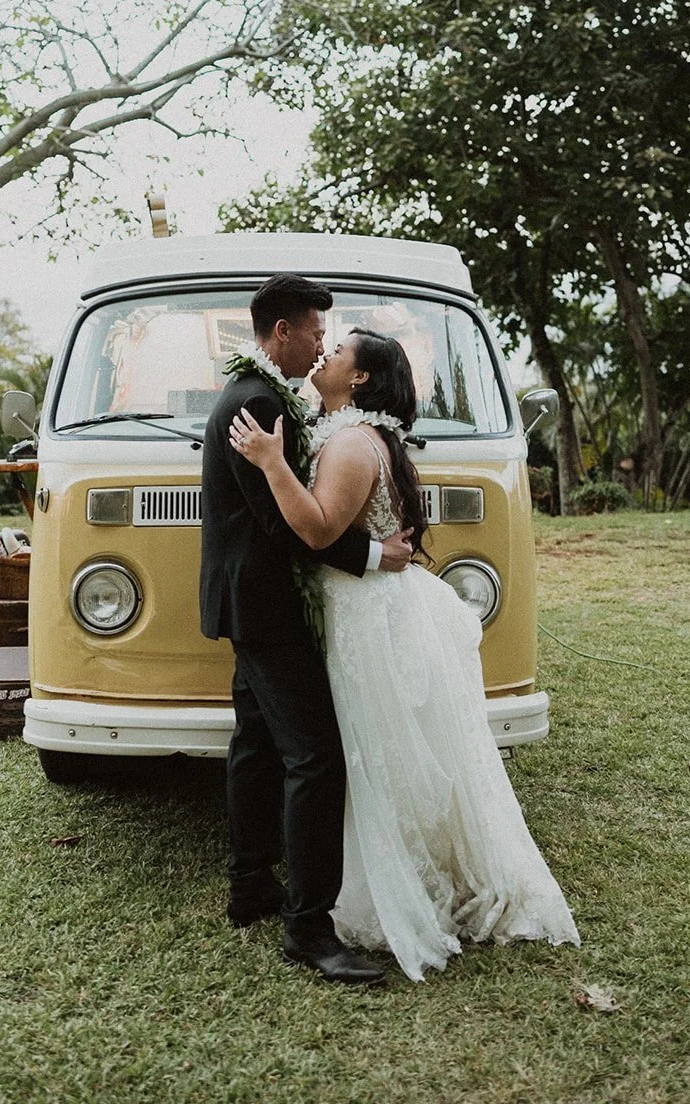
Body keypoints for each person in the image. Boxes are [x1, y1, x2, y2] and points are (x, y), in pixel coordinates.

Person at [229, 327, 580, 981]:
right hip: (361, 603)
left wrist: (272, 464)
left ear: (359, 378)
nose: (326, 354)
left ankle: (383, 885)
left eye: (339, 352)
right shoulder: (349, 433)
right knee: (371, 752)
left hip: (362, 616)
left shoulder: (350, 443)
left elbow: (318, 529)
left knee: (369, 754)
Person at [200, 274, 413, 987]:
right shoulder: (258, 402)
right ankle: (309, 929)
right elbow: (289, 527)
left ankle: (249, 885)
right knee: (316, 759)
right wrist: (375, 555)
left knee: (256, 743)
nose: (323, 345)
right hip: (265, 604)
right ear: (283, 331)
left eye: (331, 339)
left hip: (248, 599)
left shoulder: (257, 393)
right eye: (317, 333)